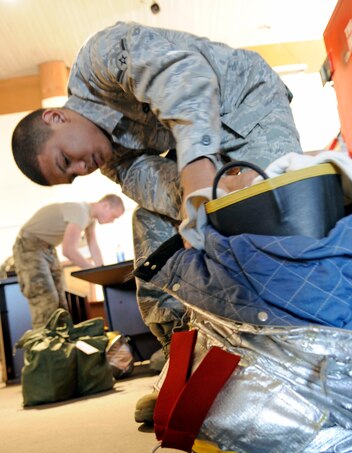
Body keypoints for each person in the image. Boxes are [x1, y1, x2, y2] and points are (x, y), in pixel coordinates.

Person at [11, 21, 302, 421]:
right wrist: (203, 198)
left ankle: (287, 361)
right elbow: (166, 190)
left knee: (262, 214)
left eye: (67, 159)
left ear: (56, 118)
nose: (82, 167)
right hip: (201, 149)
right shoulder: (112, 165)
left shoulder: (98, 62)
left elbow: (183, 74)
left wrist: (201, 169)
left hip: (244, 107)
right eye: (73, 174)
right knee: (150, 223)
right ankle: (183, 358)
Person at [12, 194, 124, 329]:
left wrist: (102, 271)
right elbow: (69, 250)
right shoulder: (80, 211)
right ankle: (45, 347)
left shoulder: (89, 219)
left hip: (48, 249)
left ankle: (63, 345)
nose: (112, 221)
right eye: (114, 216)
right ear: (105, 205)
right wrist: (92, 271)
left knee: (61, 303)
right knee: (46, 301)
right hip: (29, 247)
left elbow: (93, 244)